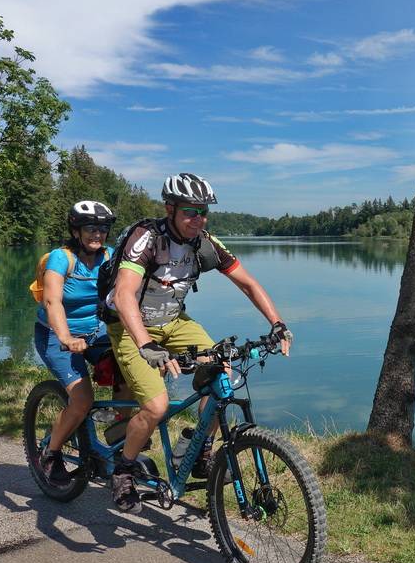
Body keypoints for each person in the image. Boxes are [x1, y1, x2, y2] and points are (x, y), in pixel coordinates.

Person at [104, 172, 291, 513]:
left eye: (202, 211)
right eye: (190, 211)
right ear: (170, 208)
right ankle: (124, 469)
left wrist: (277, 323)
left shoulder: (204, 242)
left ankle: (196, 447)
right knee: (157, 406)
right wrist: (145, 343)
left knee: (223, 374)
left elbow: (248, 282)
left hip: (174, 323)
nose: (197, 219)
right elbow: (124, 293)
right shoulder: (147, 238)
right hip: (132, 328)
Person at [34, 200, 117, 486]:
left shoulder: (110, 256)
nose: (97, 234)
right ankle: (50, 453)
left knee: (131, 372)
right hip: (55, 336)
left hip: (94, 334)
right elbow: (52, 299)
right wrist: (66, 336)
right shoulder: (62, 258)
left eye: (103, 228)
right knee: (82, 399)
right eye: (91, 228)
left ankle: (118, 441)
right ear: (76, 230)